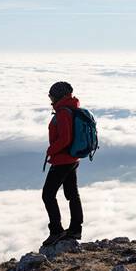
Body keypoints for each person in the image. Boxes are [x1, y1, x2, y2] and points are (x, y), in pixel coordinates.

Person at [42, 81, 84, 246]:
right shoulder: (72, 108)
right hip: (72, 159)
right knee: (72, 194)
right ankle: (75, 229)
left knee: (48, 195)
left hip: (62, 160)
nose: (50, 98)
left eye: (51, 95)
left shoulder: (63, 113)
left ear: (57, 95)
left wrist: (51, 150)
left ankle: (56, 230)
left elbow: (65, 139)